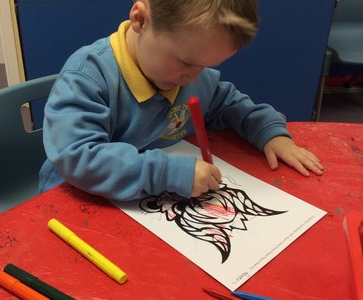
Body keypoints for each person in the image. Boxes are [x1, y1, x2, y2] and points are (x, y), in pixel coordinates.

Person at [39, 0, 324, 201]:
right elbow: (78, 157)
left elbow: (230, 103)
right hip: (74, 203)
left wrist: (269, 133)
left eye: (205, 65)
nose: (194, 77)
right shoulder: (88, 78)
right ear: (140, 20)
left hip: (144, 207)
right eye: (187, 62)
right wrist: (167, 172)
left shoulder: (188, 75)